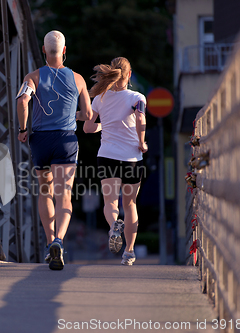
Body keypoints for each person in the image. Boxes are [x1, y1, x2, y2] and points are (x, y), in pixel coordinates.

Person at [16, 30, 93, 270]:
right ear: (64, 51)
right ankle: (59, 239)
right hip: (66, 141)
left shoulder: (33, 77)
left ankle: (50, 243)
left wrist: (22, 128)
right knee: (65, 195)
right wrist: (77, 116)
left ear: (43, 50)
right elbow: (88, 115)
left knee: (45, 191)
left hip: (41, 141)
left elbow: (21, 101)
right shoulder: (78, 79)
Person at [83, 57, 147, 266]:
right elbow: (140, 119)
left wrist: (103, 126)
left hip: (107, 155)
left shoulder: (100, 98)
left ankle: (113, 227)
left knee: (110, 202)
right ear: (129, 75)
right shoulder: (137, 97)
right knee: (129, 205)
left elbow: (87, 128)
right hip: (131, 159)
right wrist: (142, 142)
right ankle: (128, 252)